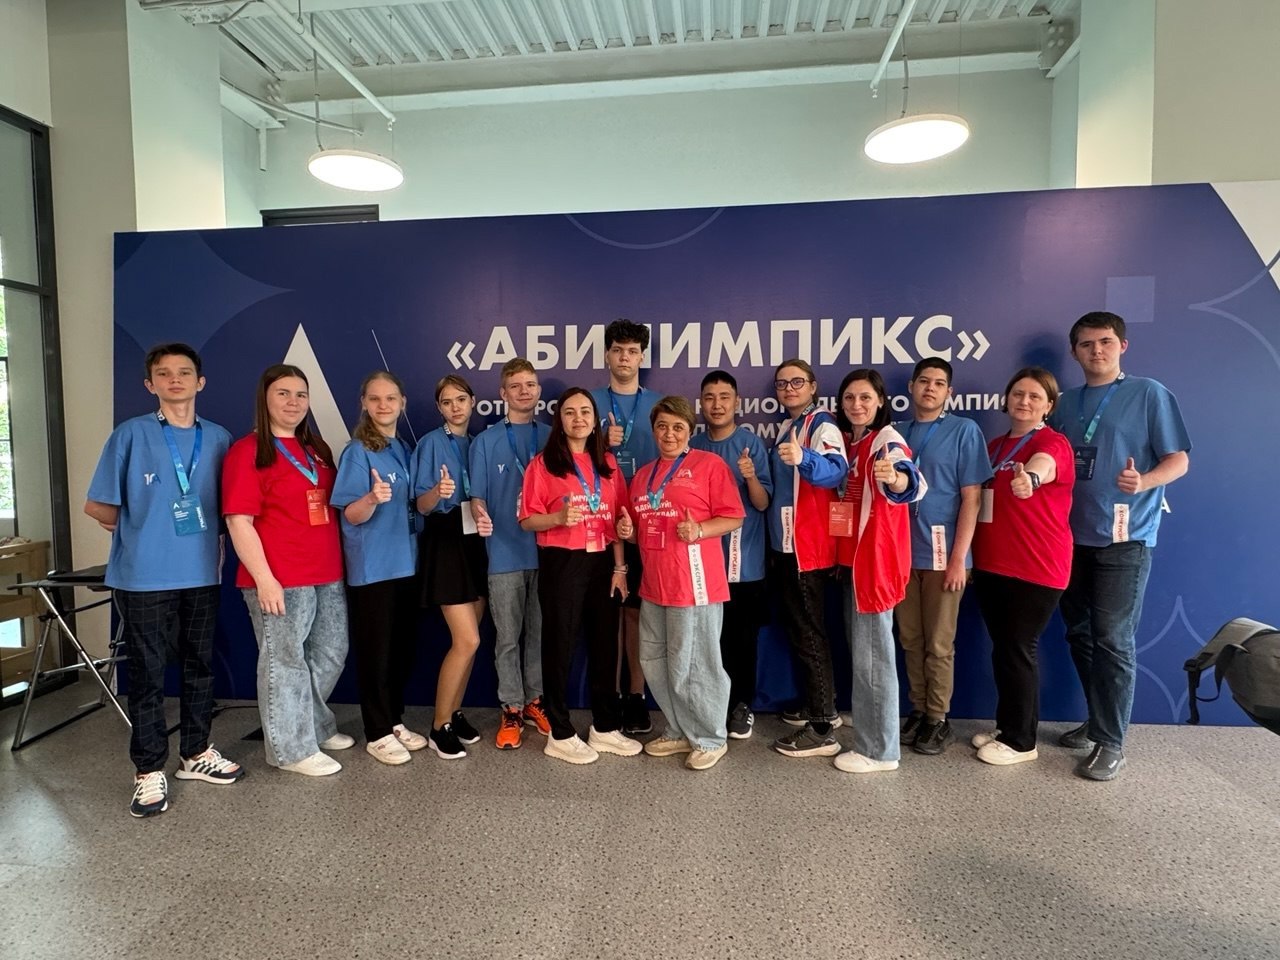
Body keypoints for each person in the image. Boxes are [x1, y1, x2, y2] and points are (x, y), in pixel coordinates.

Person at [85, 343, 244, 817]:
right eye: (164, 373)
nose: (175, 379)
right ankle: (148, 769)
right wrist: (144, 529)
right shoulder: (130, 434)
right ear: (149, 384)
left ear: (200, 382)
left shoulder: (219, 438)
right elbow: (98, 506)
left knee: (199, 665)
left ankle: (195, 752)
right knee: (149, 675)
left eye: (185, 372)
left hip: (201, 572)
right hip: (143, 577)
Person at [1049, 312, 1190, 781]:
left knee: (1112, 639)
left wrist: (1144, 481)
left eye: (1106, 342)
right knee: (1079, 634)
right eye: (1087, 344)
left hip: (1124, 539)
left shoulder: (1149, 393)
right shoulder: (1065, 403)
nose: (1097, 351)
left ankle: (1112, 742)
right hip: (1069, 539)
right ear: (1074, 352)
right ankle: (1097, 721)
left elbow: (1179, 460)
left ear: (1122, 346)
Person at [223, 364, 350, 777]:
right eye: (283, 393)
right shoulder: (248, 451)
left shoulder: (316, 449)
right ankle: (292, 749)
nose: (293, 402)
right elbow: (238, 521)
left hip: (326, 570)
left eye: (300, 394)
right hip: (280, 577)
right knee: (285, 662)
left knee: (330, 653)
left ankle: (313, 726)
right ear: (265, 398)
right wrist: (264, 579)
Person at [620, 396, 744, 770]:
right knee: (654, 659)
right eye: (662, 426)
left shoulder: (709, 465)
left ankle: (709, 737)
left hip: (694, 584)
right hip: (654, 584)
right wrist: (627, 531)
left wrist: (700, 529)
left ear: (690, 430)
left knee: (695, 663)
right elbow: (641, 529)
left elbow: (734, 516)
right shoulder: (643, 475)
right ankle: (678, 730)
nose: (669, 434)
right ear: (653, 430)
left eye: (678, 427)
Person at [519, 387, 639, 765]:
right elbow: (527, 520)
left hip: (603, 562)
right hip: (563, 562)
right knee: (560, 647)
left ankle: (604, 726)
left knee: (605, 645)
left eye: (585, 411)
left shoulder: (607, 463)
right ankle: (559, 732)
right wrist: (556, 518)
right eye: (570, 412)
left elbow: (619, 521)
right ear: (560, 420)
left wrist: (620, 567)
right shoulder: (544, 464)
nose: (579, 418)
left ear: (594, 418)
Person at [971, 367, 1075, 765]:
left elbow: (1044, 465)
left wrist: (1030, 478)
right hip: (993, 564)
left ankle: (1021, 742)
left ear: (1049, 406)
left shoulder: (1053, 443)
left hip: (1035, 566)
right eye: (1018, 393)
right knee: (1005, 648)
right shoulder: (996, 446)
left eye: (1034, 396)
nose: (1024, 401)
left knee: (1018, 648)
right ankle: (1008, 726)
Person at [892, 358, 992, 755]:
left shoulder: (964, 431)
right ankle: (919, 709)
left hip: (943, 556)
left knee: (939, 642)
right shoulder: (896, 432)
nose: (929, 388)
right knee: (910, 638)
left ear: (949, 392)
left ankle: (938, 717)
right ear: (911, 387)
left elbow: (972, 498)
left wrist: (958, 560)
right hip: (904, 556)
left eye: (938, 383)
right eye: (923, 381)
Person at [831, 370, 926, 774]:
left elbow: (911, 482)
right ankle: (872, 727)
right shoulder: (852, 442)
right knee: (865, 653)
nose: (857, 405)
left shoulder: (887, 441)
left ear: (881, 401)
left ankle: (879, 751)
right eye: (850, 398)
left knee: (874, 657)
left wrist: (897, 478)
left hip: (875, 562)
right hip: (853, 563)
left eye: (865, 398)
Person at [330, 371, 427, 766]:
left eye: (390, 398)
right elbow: (350, 514)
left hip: (406, 564)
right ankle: (377, 732)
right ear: (364, 404)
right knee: (376, 654)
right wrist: (370, 498)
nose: (383, 405)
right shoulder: (358, 451)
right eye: (375, 399)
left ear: (402, 402)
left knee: (400, 651)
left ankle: (394, 720)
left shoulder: (403, 448)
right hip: (374, 569)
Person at [469, 358, 552, 749]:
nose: (524, 391)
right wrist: (479, 513)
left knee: (539, 634)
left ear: (538, 391)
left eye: (530, 384)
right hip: (503, 553)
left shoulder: (552, 437)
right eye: (516, 385)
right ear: (503, 393)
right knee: (507, 638)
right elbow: (477, 497)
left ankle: (535, 700)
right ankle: (512, 707)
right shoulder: (485, 442)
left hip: (547, 552)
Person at [767, 359, 848, 758]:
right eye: (782, 383)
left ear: (813, 386)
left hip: (807, 550)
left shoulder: (822, 425)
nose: (789, 388)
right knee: (801, 632)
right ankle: (819, 704)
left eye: (797, 381)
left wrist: (804, 458)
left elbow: (835, 472)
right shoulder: (788, 426)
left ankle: (822, 727)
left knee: (810, 633)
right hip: (785, 547)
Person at [689, 371, 772, 739]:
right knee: (707, 641)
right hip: (699, 564)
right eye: (709, 397)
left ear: (737, 402)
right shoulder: (692, 446)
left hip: (743, 563)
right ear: (701, 403)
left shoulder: (750, 444)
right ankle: (711, 705)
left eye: (724, 397)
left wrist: (750, 476)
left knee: (741, 639)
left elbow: (763, 503)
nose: (717, 404)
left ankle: (741, 706)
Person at [413, 374, 491, 760]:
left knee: (472, 640)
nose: (455, 407)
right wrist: (436, 492)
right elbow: (420, 506)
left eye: (461, 399)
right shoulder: (431, 443)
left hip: (475, 541)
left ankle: (454, 713)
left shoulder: (477, 444)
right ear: (439, 407)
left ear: (472, 401)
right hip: (445, 543)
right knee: (467, 640)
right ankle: (437, 726)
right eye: (447, 402)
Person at [591, 319, 659, 735]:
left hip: (646, 520)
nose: (624, 358)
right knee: (607, 614)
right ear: (607, 355)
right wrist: (601, 442)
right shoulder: (589, 403)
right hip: (599, 520)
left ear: (641, 357)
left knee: (637, 614)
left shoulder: (658, 404)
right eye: (617, 350)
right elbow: (570, 456)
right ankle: (610, 695)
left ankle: (636, 695)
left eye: (632, 351)